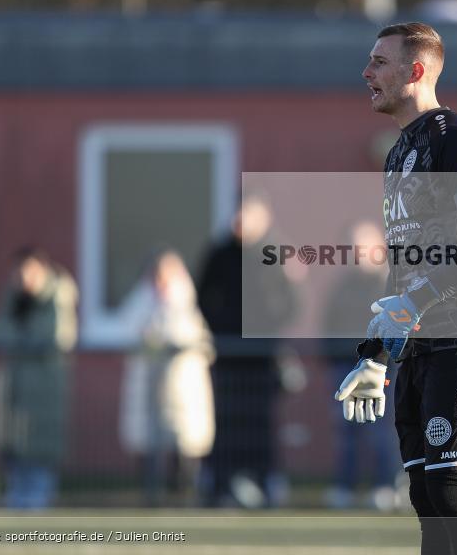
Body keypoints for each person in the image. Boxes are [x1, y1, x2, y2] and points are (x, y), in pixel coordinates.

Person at [334, 22, 457, 555]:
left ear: (415, 71)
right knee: (425, 493)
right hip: (420, 343)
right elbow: (400, 273)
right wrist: (375, 357)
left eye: (379, 63)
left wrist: (414, 301)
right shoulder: (397, 154)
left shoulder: (454, 138)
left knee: (450, 489)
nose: (366, 73)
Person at [196, 195, 298, 507]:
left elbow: (293, 303)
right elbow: (203, 297)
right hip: (228, 354)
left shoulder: (276, 253)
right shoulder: (220, 253)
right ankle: (223, 485)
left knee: (260, 422)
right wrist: (223, 331)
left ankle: (265, 482)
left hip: (263, 357)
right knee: (226, 421)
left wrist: (267, 330)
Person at [118, 249, 215, 506]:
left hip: (182, 389)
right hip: (148, 388)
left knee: (183, 445)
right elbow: (128, 331)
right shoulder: (140, 302)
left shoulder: (187, 303)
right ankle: (151, 496)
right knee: (149, 444)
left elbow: (194, 339)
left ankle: (184, 494)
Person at [0, 248, 77, 509]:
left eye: (30, 271)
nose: (24, 278)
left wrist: (20, 339)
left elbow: (52, 338)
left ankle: (38, 518)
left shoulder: (58, 297)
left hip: (44, 394)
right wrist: (23, 339)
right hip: (16, 393)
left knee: (39, 459)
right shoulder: (13, 299)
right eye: (20, 272)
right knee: (16, 457)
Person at [322, 222, 399, 510]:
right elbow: (328, 325)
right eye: (353, 246)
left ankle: (385, 486)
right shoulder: (343, 287)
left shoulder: (389, 284)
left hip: (382, 369)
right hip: (345, 367)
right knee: (347, 431)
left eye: (362, 246)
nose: (357, 253)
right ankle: (345, 486)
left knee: (381, 430)